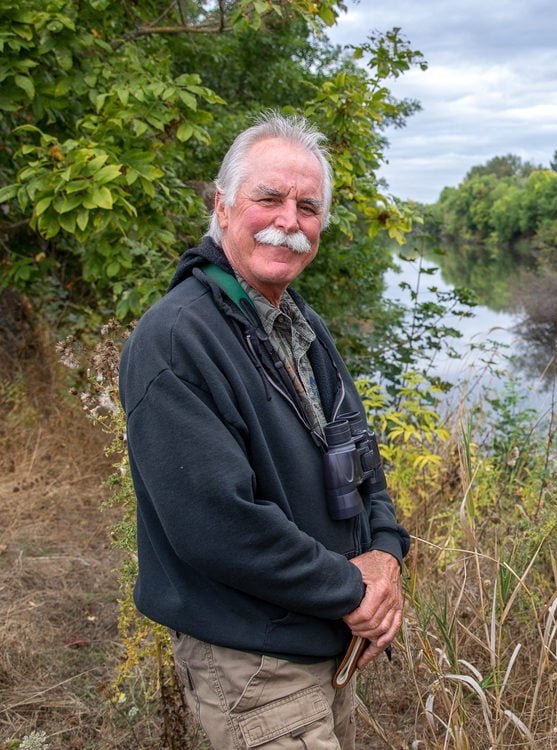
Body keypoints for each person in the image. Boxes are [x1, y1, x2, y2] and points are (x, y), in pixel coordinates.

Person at [119, 111, 410, 749]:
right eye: (269, 198)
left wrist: (387, 556)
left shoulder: (299, 324)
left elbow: (362, 460)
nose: (289, 222)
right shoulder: (177, 339)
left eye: (308, 207)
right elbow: (215, 524)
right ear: (223, 206)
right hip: (253, 658)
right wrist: (352, 587)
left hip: (326, 643)